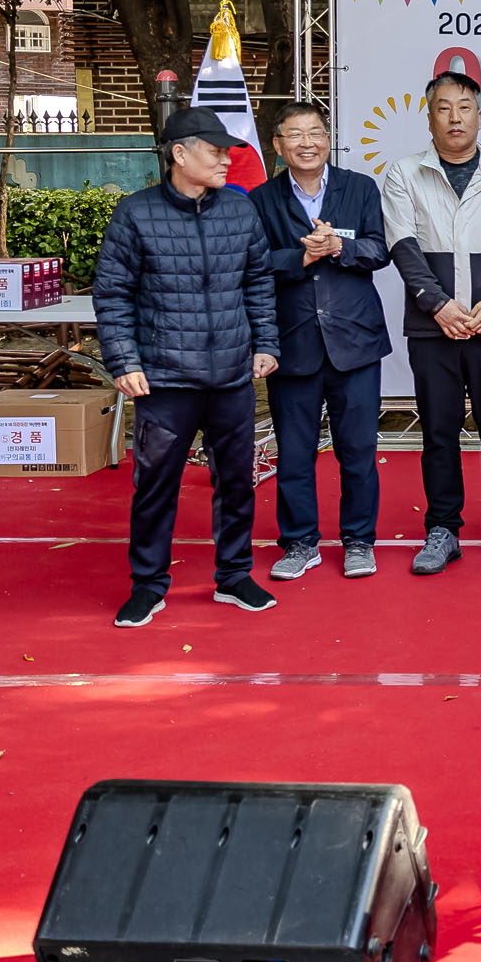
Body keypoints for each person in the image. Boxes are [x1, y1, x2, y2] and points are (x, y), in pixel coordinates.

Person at [96, 106, 280, 628]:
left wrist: (266, 342)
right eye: (214, 150)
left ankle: (234, 575)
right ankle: (148, 585)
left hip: (230, 376)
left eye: (227, 151)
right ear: (179, 154)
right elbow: (113, 294)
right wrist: (124, 360)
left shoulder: (240, 211)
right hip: (163, 377)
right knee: (156, 485)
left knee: (237, 482)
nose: (226, 160)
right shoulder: (136, 213)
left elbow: (258, 283)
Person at [381, 70, 481, 576]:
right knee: (439, 432)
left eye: (464, 107)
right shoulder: (405, 173)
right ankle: (443, 527)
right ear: (429, 115)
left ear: (480, 114)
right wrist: (437, 304)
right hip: (433, 327)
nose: (454, 117)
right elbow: (402, 245)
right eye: (443, 107)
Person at [249, 101, 391, 582]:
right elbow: (253, 264)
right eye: (294, 134)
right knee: (294, 453)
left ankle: (358, 540)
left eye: (314, 132)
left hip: (354, 342)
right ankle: (299, 542)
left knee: (357, 452)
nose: (306, 142)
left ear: (329, 139)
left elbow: (379, 250)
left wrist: (340, 247)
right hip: (291, 342)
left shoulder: (360, 187)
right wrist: (300, 258)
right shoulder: (260, 200)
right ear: (278, 145)